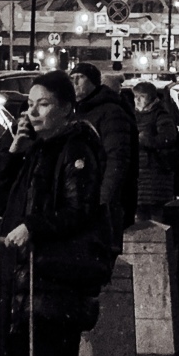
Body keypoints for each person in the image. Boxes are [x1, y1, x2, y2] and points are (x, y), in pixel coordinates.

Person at [0, 71, 111, 356]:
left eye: (43, 104)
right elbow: (3, 200)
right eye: (30, 104)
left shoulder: (76, 148)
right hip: (25, 283)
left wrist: (34, 226)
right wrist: (14, 150)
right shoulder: (37, 148)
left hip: (55, 284)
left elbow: (80, 210)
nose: (34, 112)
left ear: (65, 108)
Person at [70, 63, 138, 251]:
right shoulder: (78, 111)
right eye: (72, 78)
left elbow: (117, 159)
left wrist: (104, 201)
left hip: (104, 204)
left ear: (93, 82)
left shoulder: (110, 112)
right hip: (83, 201)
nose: (75, 82)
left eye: (80, 77)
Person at [132, 81, 177, 220]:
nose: (137, 100)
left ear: (151, 97)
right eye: (136, 96)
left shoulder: (160, 114)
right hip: (140, 174)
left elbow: (168, 138)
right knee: (141, 217)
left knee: (157, 216)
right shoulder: (134, 115)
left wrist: (146, 139)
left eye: (142, 96)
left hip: (156, 174)